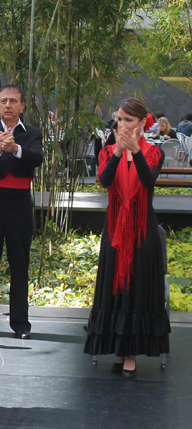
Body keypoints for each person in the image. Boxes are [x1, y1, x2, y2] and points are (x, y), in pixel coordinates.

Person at [84, 98, 171, 379]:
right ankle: (120, 350)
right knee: (115, 288)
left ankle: (131, 354)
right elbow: (105, 181)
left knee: (137, 289)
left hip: (143, 230)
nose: (122, 125)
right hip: (115, 230)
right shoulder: (108, 151)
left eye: (128, 120)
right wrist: (120, 152)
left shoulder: (154, 152)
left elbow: (148, 180)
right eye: (119, 119)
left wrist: (136, 152)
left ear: (142, 124)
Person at [0, 85, 43, 339]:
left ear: (23, 106)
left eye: (14, 101)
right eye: (4, 101)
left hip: (20, 200)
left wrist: (16, 149)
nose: (8, 105)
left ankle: (21, 324)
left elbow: (37, 158)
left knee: (19, 262)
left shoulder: (33, 133)